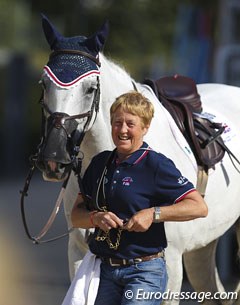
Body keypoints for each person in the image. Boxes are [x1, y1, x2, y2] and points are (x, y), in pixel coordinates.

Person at [71, 91, 208, 305]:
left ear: (145, 128)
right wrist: (95, 218)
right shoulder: (99, 163)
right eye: (117, 123)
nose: (122, 130)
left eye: (130, 124)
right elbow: (76, 215)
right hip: (104, 272)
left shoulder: (156, 165)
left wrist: (153, 214)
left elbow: (198, 207)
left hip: (145, 272)